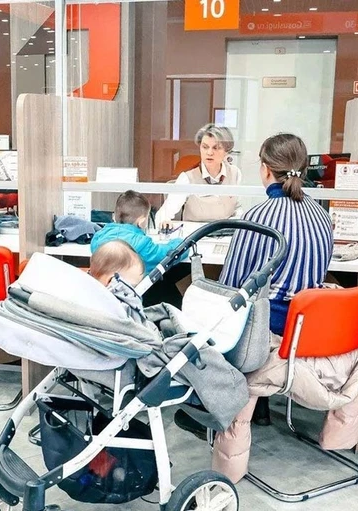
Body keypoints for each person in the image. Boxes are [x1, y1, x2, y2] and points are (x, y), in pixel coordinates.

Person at [173, 133, 333, 435]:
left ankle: (204, 406)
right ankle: (257, 405)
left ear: (265, 169)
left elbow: (232, 285)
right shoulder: (322, 215)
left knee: (204, 311)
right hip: (306, 322)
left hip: (270, 322)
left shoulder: (258, 216)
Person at [155, 123, 242, 227]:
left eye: (216, 148)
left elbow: (237, 208)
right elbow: (163, 214)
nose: (209, 152)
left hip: (225, 232)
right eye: (205, 147)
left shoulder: (235, 173)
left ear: (226, 151)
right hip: (196, 234)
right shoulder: (187, 178)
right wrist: (164, 222)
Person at [91, 190, 185, 277]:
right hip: (133, 288)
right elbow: (172, 253)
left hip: (104, 287)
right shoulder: (143, 245)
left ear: (114, 217)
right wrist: (180, 241)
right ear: (142, 222)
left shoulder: (98, 238)